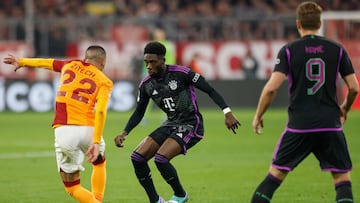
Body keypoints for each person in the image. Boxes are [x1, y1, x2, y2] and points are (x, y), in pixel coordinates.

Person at [250, 2, 359, 203]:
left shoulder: (289, 50)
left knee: (274, 177)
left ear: (298, 23)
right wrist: (344, 108)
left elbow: (272, 88)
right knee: (341, 178)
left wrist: (258, 115)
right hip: (330, 126)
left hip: (299, 127)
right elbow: (354, 87)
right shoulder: (337, 49)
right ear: (319, 23)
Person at [114, 41, 241, 203]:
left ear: (162, 60)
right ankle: (155, 200)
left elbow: (209, 89)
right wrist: (124, 132)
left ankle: (181, 195)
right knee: (137, 157)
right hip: (170, 124)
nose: (148, 66)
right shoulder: (146, 84)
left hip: (191, 124)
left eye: (152, 62)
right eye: (146, 62)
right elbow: (139, 112)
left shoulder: (182, 73)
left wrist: (227, 112)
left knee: (161, 159)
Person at [3, 45, 114, 203]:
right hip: (88, 130)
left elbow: (46, 63)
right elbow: (101, 112)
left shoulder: (69, 64)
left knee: (73, 187)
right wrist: (96, 142)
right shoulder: (105, 81)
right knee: (99, 163)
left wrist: (22, 61)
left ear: (85, 58)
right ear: (103, 62)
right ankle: (97, 200)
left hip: (64, 131)